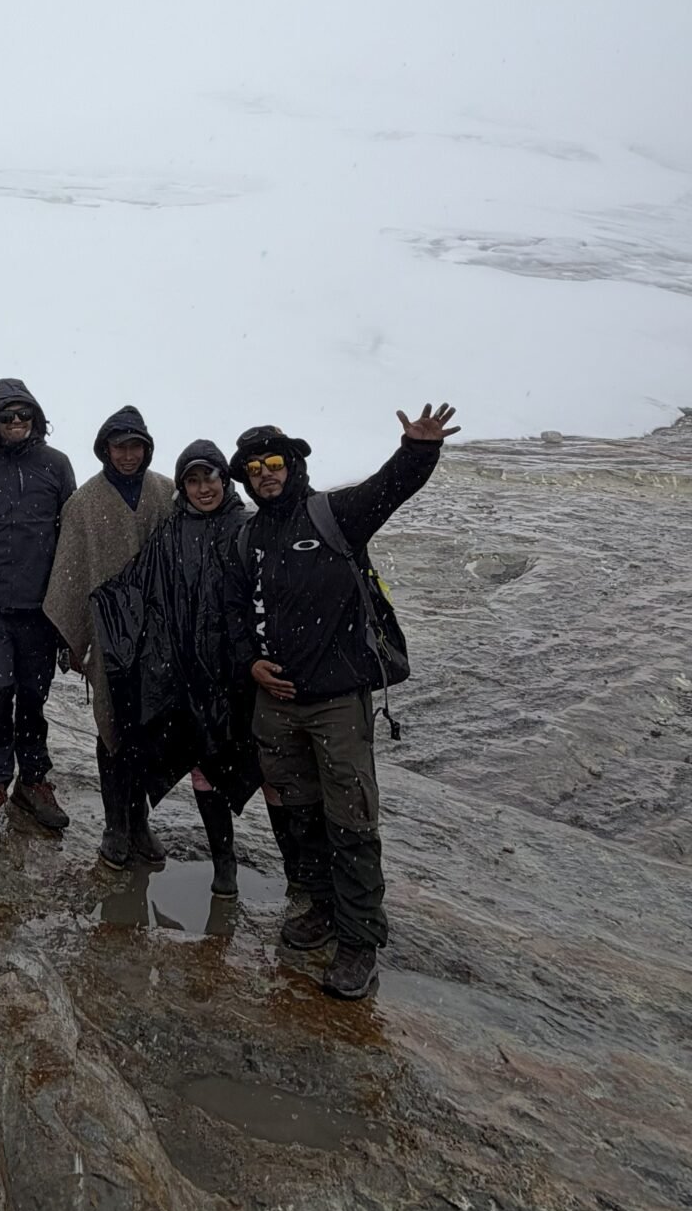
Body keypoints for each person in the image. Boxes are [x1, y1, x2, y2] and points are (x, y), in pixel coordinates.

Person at [225, 402, 459, 1002]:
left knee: (351, 820)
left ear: (294, 464)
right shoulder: (247, 535)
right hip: (274, 703)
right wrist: (250, 661)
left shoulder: (334, 515)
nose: (266, 474)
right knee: (295, 815)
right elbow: (231, 613)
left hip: (336, 702)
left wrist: (418, 450)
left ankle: (359, 941)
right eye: (254, 468)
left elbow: (390, 489)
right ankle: (321, 908)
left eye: (275, 462)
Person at [90, 439, 261, 882]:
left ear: (225, 479)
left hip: (234, 674)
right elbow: (134, 588)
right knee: (194, 762)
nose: (203, 489)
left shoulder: (247, 528)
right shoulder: (170, 532)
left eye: (210, 478)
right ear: (182, 487)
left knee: (237, 763)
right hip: (184, 675)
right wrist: (93, 616)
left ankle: (243, 863)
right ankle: (220, 866)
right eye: (193, 480)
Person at [44, 406, 176, 864]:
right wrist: (71, 637)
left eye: (135, 446)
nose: (127, 455)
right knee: (113, 727)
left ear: (146, 448)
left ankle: (140, 822)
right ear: (105, 449)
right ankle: (114, 825)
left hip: (157, 637)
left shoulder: (166, 493)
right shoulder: (84, 503)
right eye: (119, 447)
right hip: (108, 636)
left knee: (148, 729)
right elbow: (71, 573)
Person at [0, 378, 76, 835]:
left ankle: (35, 781)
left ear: (36, 420)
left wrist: (64, 600)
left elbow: (70, 536)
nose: (17, 423)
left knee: (34, 697)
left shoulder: (56, 465)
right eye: (7, 416)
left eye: (24, 415)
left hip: (41, 609)